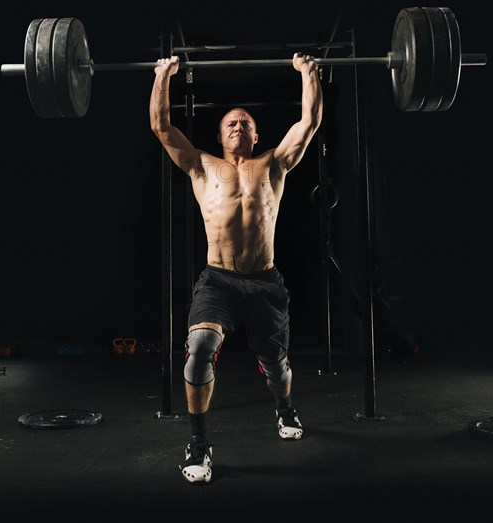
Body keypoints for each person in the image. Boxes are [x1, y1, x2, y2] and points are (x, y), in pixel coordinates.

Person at [149, 53, 323, 483]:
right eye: (231, 122)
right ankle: (198, 443)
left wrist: (308, 74)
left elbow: (308, 123)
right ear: (220, 132)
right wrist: (162, 76)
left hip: (264, 281)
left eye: (246, 122)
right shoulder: (202, 166)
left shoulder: (274, 164)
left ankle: (284, 407)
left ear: (256, 132)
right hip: (218, 280)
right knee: (199, 350)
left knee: (277, 366)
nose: (239, 126)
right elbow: (162, 127)